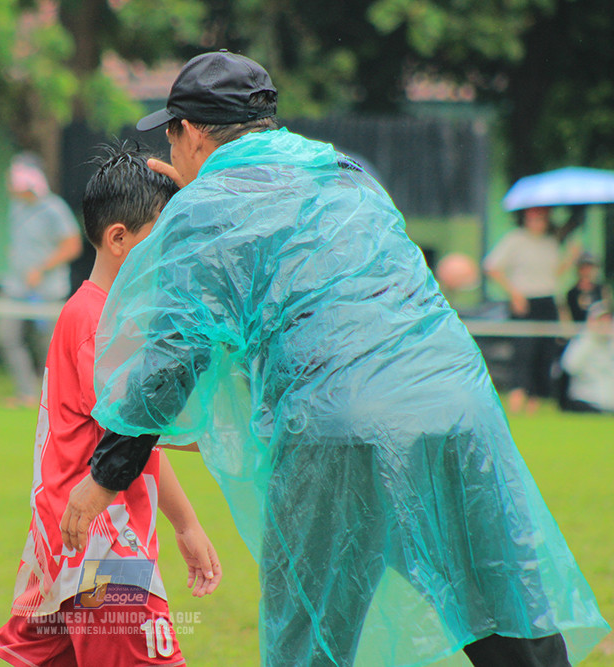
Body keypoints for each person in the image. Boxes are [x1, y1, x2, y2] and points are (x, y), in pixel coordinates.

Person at [59, 50, 609, 667]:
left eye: (171, 130)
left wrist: (106, 475)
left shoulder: (204, 210)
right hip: (455, 409)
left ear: (186, 132)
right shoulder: (342, 171)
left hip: (337, 428)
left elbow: (171, 357)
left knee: (312, 636)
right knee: (504, 610)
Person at [0, 145, 221, 666]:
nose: (173, 254)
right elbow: (135, 436)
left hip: (66, 544)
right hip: (105, 552)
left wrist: (184, 523)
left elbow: (131, 441)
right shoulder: (101, 324)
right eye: (163, 238)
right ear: (119, 239)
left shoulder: (94, 314)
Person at [0, 153, 82, 407]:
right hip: (17, 288)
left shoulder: (54, 209)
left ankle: (55, 398)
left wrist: (42, 267)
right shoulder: (16, 207)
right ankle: (27, 393)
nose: (8, 185)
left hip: (48, 292)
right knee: (7, 336)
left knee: (51, 347)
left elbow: (72, 245)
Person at [483, 205, 579, 413]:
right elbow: (492, 266)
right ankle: (517, 398)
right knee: (524, 350)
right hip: (525, 301)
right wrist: (514, 294)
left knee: (544, 352)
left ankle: (535, 403)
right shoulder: (515, 239)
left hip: (547, 300)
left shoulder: (550, 241)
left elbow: (553, 274)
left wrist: (570, 258)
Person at [560, 300, 614, 413]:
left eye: (608, 319)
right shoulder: (581, 341)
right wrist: (591, 338)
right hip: (586, 401)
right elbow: (570, 366)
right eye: (601, 320)